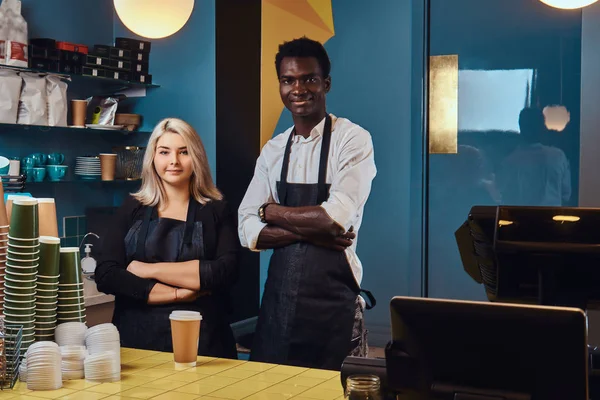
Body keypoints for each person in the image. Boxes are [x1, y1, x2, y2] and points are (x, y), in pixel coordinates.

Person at [238, 37, 377, 370]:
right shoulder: (273, 150)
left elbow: (333, 220)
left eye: (308, 79)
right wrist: (309, 231)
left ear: (325, 83)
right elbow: (246, 230)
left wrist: (270, 212)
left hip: (334, 306)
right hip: (278, 306)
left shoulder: (352, 139)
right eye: (288, 80)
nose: (297, 88)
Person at [95, 118, 239, 358]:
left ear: (197, 158)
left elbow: (225, 272)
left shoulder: (216, 210)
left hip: (203, 344)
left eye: (184, 152)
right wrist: (178, 293)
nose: (174, 161)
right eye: (164, 152)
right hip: (136, 342)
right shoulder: (132, 207)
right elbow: (107, 274)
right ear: (153, 158)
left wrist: (145, 269)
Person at [499, 107, 571, 206]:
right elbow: (566, 194)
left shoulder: (509, 162)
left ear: (521, 128)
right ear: (542, 127)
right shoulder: (558, 157)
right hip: (552, 218)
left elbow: (504, 196)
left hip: (519, 218)